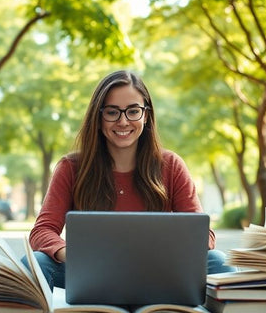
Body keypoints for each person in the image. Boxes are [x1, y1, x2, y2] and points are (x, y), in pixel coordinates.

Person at [22, 70, 236, 291]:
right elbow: (42, 231)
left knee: (219, 261)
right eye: (112, 112)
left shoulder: (171, 165)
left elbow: (204, 235)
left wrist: (168, 254)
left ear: (146, 115)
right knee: (34, 263)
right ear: (98, 117)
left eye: (133, 111)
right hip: (91, 272)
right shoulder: (71, 167)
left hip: (159, 272)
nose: (123, 121)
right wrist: (73, 254)